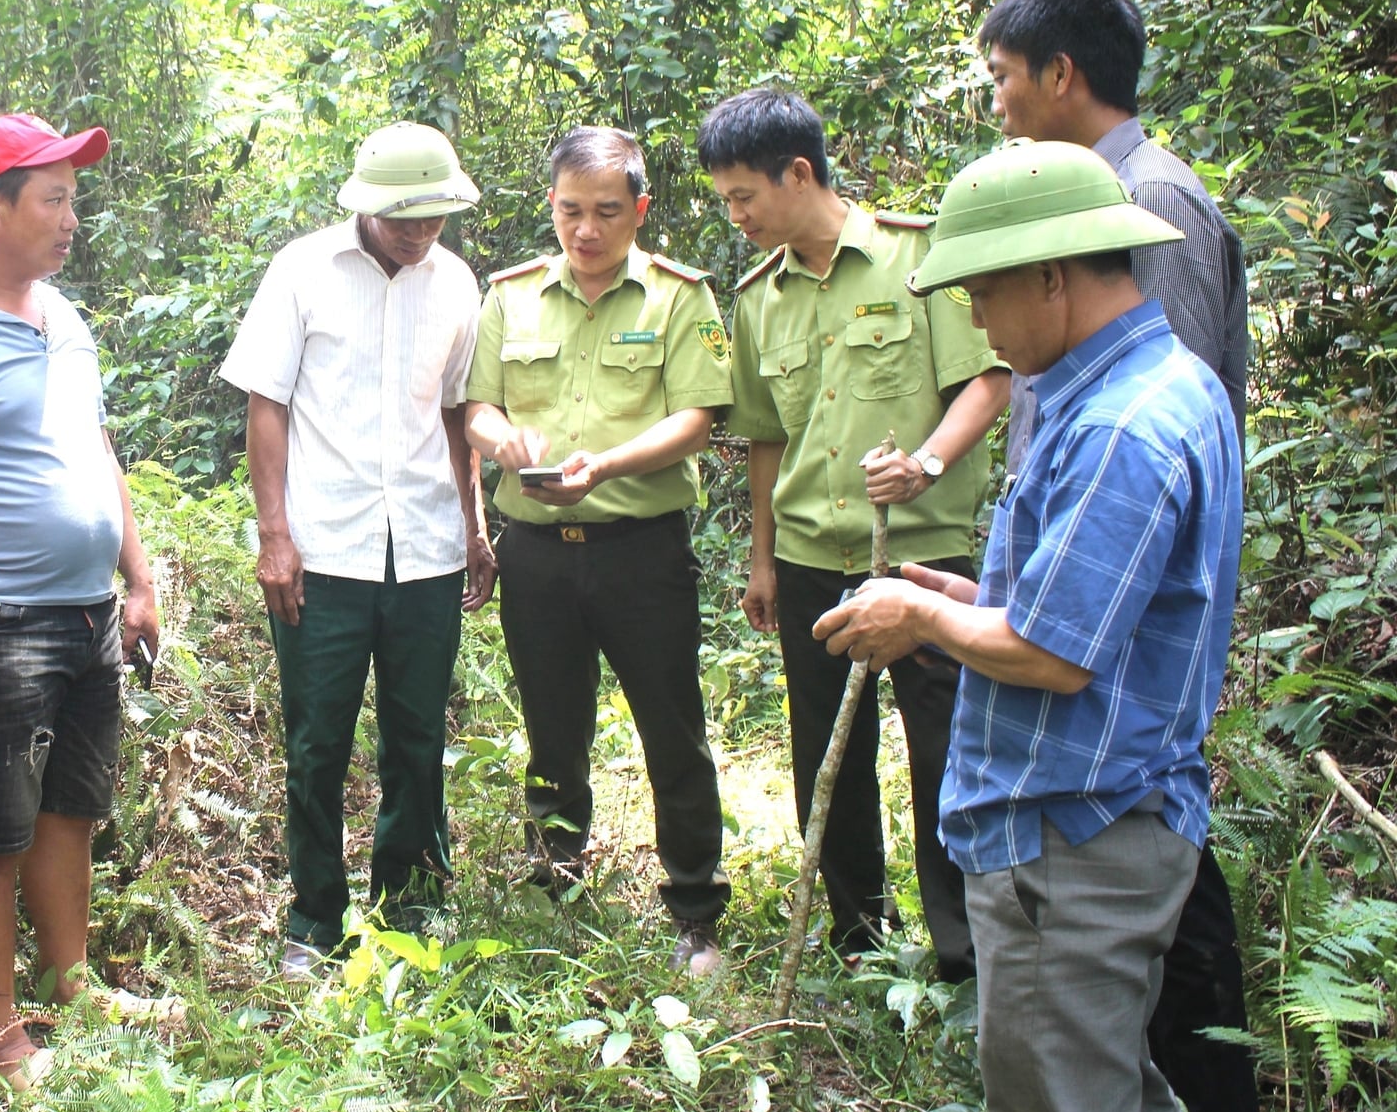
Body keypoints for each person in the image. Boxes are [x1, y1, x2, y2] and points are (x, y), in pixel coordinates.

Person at [815, 139, 1243, 1112]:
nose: (975, 322)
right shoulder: (1157, 385)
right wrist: (966, 597)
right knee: (1114, 1104)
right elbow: (1094, 606)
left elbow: (1053, 655)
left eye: (983, 292)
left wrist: (918, 622)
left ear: (1051, 275)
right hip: (1110, 818)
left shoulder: (1116, 426)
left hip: (1075, 835)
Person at [980, 0, 1259, 1112]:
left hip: (1098, 776)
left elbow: (1122, 527)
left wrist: (940, 614)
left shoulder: (1153, 216)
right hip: (1097, 737)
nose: (980, 336)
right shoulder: (1092, 334)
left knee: (1103, 1054)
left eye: (1005, 77)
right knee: (1108, 1071)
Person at [696, 88, 1009, 983]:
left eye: (744, 196)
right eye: (726, 199)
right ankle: (856, 934)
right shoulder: (760, 297)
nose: (737, 215)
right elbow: (764, 436)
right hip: (807, 558)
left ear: (799, 173)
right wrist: (760, 557)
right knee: (827, 750)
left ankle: (962, 951)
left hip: (922, 560)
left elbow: (986, 381)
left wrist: (928, 464)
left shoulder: (919, 261)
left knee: (945, 749)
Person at [0, 114, 159, 1086]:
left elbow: (96, 449)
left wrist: (136, 575)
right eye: (53, 197)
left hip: (90, 614)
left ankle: (71, 978)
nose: (71, 217)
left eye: (72, 197)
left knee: (71, 811)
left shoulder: (62, 315)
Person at [220, 122, 496, 979]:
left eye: (434, 218)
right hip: (324, 551)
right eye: (404, 218)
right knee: (317, 741)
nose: (420, 234)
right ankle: (314, 920)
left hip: (425, 546)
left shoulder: (455, 283)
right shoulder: (303, 270)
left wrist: (475, 524)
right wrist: (274, 539)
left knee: (417, 736)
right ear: (367, 207)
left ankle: (411, 903)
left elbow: (457, 413)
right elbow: (266, 402)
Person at [463, 125, 733, 975]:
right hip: (537, 555)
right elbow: (475, 407)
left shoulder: (680, 297)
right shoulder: (509, 295)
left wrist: (606, 467)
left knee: (671, 727)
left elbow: (699, 416)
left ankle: (695, 909)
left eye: (607, 212)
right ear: (551, 204)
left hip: (640, 550)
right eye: (571, 211)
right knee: (551, 726)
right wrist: (501, 440)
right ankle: (559, 882)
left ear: (640, 209)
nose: (586, 230)